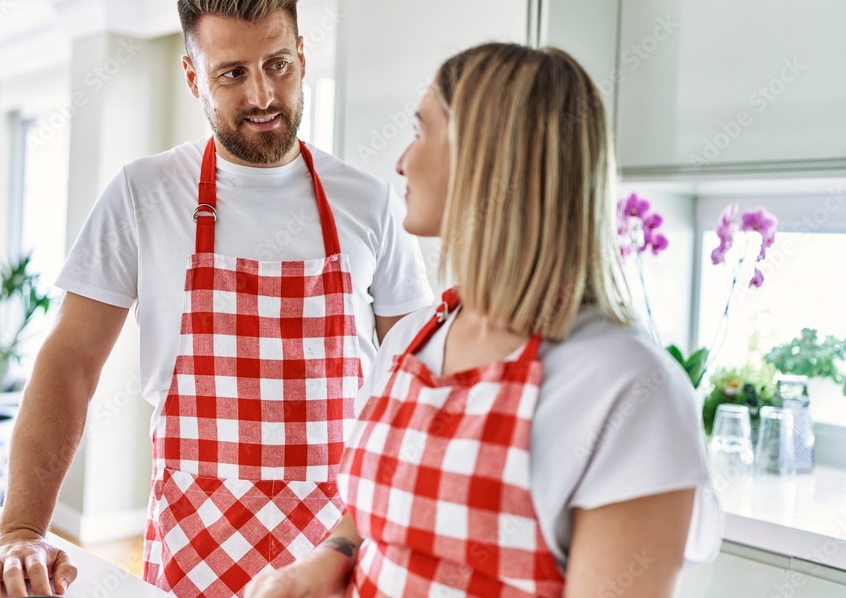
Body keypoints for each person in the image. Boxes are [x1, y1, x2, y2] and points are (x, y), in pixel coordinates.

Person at [0, 0, 433, 598]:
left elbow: (416, 386)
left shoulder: (367, 202)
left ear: (302, 53)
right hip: (195, 545)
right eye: (232, 74)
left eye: (278, 65)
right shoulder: (144, 191)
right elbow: (70, 360)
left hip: (338, 548)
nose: (262, 95)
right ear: (193, 77)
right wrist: (21, 527)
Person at [244, 42, 722, 598]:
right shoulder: (409, 341)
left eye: (421, 131)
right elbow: (380, 512)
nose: (401, 161)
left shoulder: (629, 387)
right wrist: (328, 558)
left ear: (486, 156)